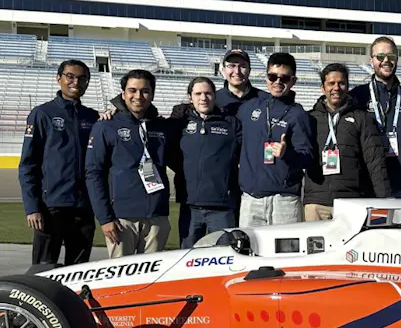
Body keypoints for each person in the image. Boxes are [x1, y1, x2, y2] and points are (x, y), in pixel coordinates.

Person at [86, 69, 178, 257]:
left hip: (156, 217)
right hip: (121, 219)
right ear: (123, 94)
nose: (138, 96)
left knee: (152, 279)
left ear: (152, 94)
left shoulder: (162, 126)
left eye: (145, 91)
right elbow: (94, 173)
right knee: (121, 279)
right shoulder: (106, 125)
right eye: (132, 90)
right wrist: (105, 218)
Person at [19, 60, 100, 266]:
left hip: (84, 208)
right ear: (59, 79)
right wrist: (32, 207)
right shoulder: (42, 113)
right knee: (43, 270)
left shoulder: (92, 117)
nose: (76, 82)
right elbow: (28, 165)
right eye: (70, 76)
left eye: (82, 78)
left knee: (78, 270)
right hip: (50, 208)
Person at [304, 64, 392, 220]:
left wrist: (383, 200)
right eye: (331, 83)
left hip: (352, 201)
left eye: (341, 83)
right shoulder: (309, 118)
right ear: (322, 88)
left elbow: (375, 162)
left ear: (347, 86)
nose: (336, 88)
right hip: (317, 202)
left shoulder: (362, 118)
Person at [238, 53, 316, 225]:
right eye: (273, 77)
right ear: (266, 77)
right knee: (249, 250)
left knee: (287, 253)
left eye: (284, 78)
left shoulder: (298, 115)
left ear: (293, 81)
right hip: (251, 199)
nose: (277, 82)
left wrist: (287, 153)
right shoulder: (250, 108)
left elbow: (308, 158)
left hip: (284, 201)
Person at [173, 77, 242, 247]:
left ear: (214, 96)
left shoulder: (231, 123)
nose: (203, 98)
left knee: (225, 258)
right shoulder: (178, 123)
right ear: (190, 97)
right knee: (187, 260)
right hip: (189, 207)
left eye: (208, 93)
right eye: (198, 93)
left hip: (222, 208)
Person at [350, 37, 401, 197]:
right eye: (380, 57)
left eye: (391, 56)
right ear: (371, 61)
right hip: (368, 183)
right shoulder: (358, 96)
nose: (386, 61)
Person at [215, 48, 269, 115]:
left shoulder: (265, 100)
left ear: (249, 70)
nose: (237, 71)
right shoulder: (214, 100)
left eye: (243, 66)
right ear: (223, 70)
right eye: (232, 66)